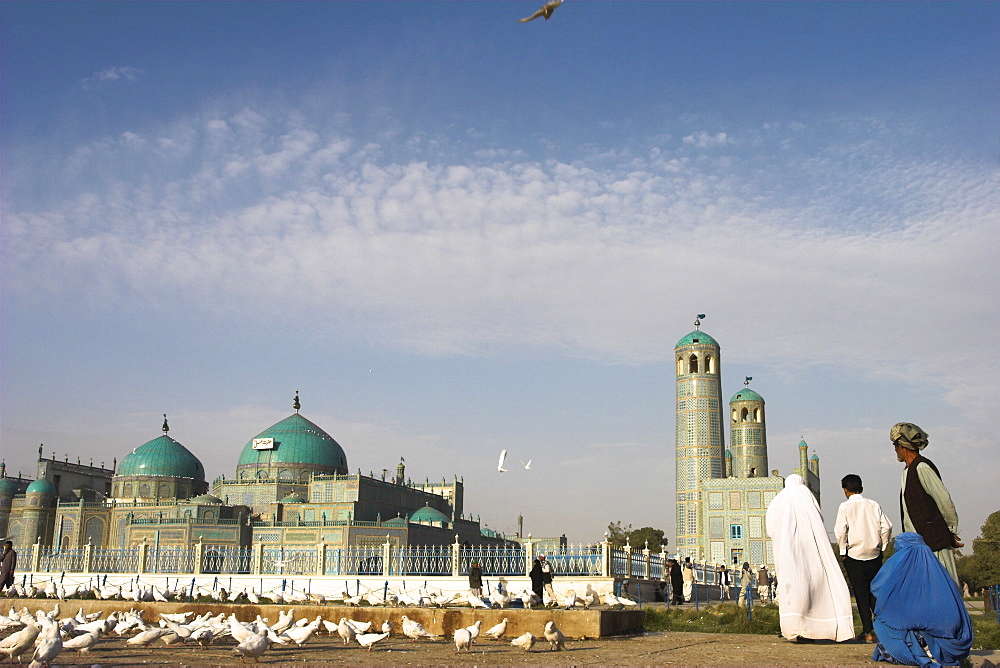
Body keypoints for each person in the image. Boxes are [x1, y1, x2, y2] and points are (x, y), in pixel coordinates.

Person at [766, 474, 854, 642]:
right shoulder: (806, 495)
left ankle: (793, 629)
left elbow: (771, 525)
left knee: (794, 589)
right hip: (811, 547)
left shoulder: (780, 499)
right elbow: (819, 518)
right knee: (815, 586)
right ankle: (821, 628)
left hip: (788, 551)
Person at [870, 532, 972, 666]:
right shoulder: (942, 577)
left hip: (914, 639)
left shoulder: (898, 569)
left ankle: (917, 653)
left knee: (883, 620)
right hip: (949, 647)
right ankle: (931, 652)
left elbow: (877, 588)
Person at [891, 422, 962, 587]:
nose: (894, 449)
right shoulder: (907, 472)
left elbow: (944, 500)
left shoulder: (922, 467)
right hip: (918, 545)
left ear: (903, 446)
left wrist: (949, 530)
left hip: (934, 541)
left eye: (895, 445)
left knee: (946, 586)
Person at [834, 473, 892, 643]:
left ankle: (868, 632)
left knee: (861, 594)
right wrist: (882, 546)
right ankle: (884, 630)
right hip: (874, 555)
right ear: (862, 489)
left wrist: (843, 551)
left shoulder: (844, 507)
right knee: (875, 592)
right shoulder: (873, 504)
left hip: (854, 556)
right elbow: (887, 527)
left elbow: (840, 531)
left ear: (845, 491)